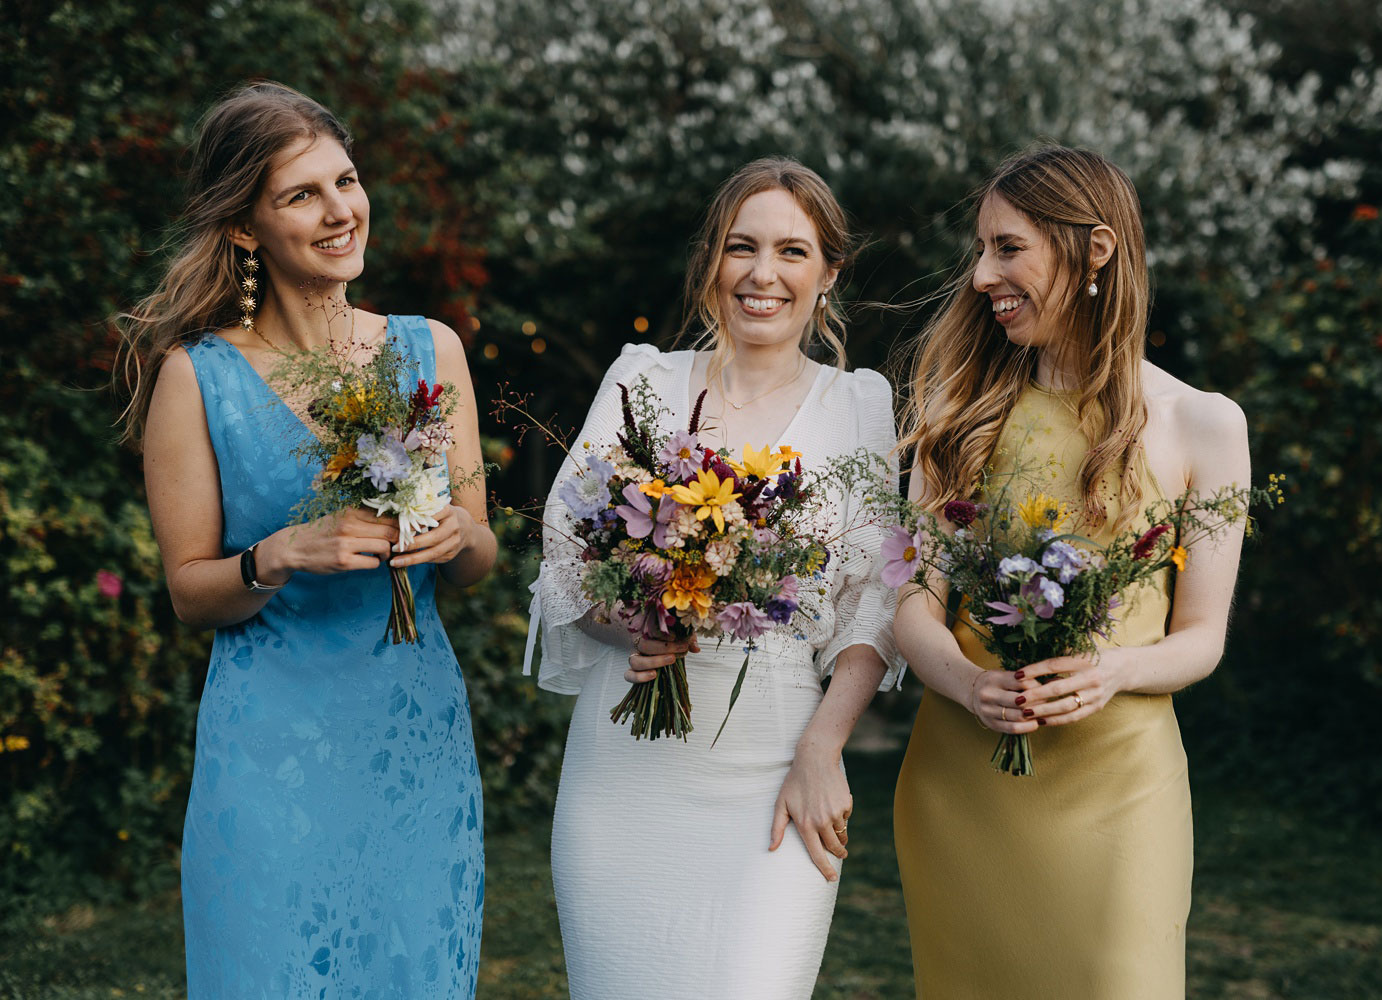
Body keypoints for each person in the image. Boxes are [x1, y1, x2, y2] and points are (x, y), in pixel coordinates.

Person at [116, 81, 495, 997]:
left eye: (347, 181)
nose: (341, 212)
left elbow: (482, 557)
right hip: (269, 745)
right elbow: (190, 592)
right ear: (245, 227)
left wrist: (454, 535)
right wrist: (280, 553)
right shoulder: (193, 377)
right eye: (302, 195)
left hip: (413, 738)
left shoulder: (430, 349)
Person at [526, 157, 900, 1000]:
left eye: (792, 252)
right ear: (712, 262)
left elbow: (875, 600)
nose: (763, 275)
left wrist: (824, 746)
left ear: (829, 272)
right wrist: (633, 627)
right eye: (741, 247)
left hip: (779, 767)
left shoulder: (860, 405)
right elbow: (563, 553)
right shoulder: (641, 382)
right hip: (625, 771)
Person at [891, 144, 1252, 999]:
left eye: (1007, 247)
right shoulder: (958, 412)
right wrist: (963, 681)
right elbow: (912, 601)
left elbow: (1200, 638)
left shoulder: (1204, 424)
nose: (982, 276)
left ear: (1094, 250)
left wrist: (1111, 670)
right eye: (981, 250)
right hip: (963, 778)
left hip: (1122, 788)